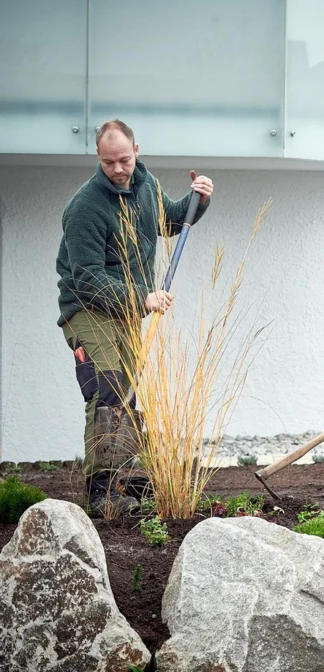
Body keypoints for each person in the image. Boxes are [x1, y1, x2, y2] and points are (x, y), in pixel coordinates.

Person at [56, 119, 214, 515]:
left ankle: (122, 479)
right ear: (98, 157)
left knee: (126, 393)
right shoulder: (84, 208)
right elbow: (88, 279)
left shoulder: (145, 185)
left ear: (136, 151)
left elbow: (171, 220)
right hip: (87, 310)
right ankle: (101, 492)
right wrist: (143, 298)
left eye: (124, 160)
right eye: (108, 162)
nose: (118, 169)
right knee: (106, 388)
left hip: (126, 311)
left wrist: (198, 198)